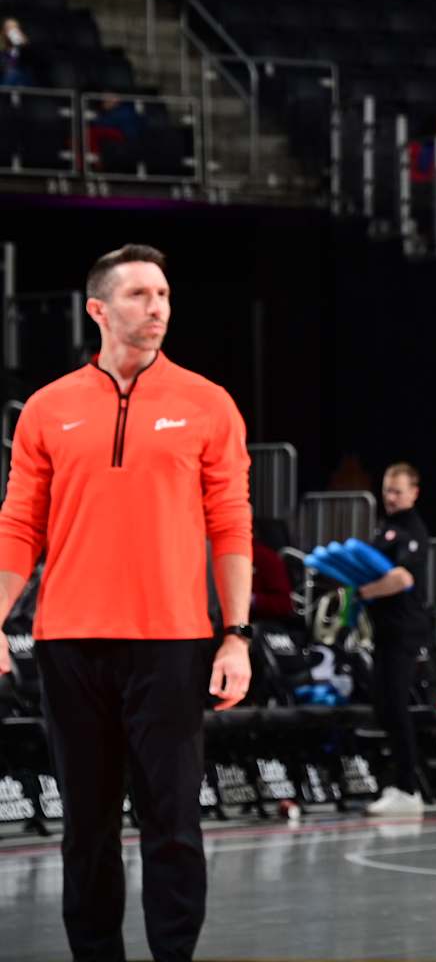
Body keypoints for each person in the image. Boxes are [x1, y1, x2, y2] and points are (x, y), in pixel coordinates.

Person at [0, 244, 252, 962]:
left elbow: (231, 523)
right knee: (86, 827)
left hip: (171, 643)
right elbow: (19, 522)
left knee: (173, 821)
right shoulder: (48, 409)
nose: (158, 308)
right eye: (141, 294)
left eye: (165, 295)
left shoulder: (207, 404)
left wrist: (234, 634)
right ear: (99, 309)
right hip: (68, 642)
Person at [356, 462, 433, 818]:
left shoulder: (412, 529)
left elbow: (402, 578)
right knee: (384, 706)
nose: (390, 497)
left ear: (414, 493)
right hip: (384, 631)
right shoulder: (385, 528)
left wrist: (366, 591)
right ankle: (397, 782)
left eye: (397, 491)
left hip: (404, 630)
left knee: (396, 706)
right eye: (387, 490)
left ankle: (408, 788)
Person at [1, 17, 34, 87]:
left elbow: (29, 58)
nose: (12, 30)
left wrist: (24, 43)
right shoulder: (2, 42)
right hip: (5, 74)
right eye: (9, 28)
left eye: (15, 27)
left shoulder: (23, 42)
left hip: (21, 73)